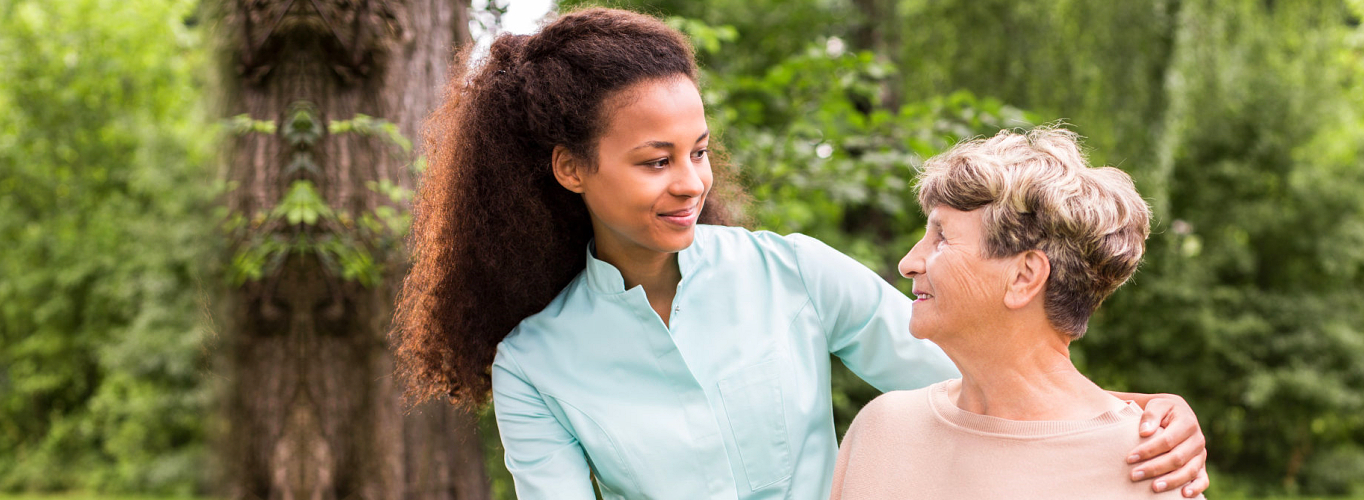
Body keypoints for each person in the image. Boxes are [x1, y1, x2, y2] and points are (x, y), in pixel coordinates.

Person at [391, 7, 1211, 499]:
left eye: (700, 151)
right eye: (654, 160)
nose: (690, 182)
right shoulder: (536, 365)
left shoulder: (790, 270)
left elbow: (994, 376)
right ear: (571, 169)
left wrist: (1138, 415)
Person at [831, 127, 1197, 499]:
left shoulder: (1153, 468)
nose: (909, 263)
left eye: (941, 237)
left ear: (1024, 277)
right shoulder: (882, 429)